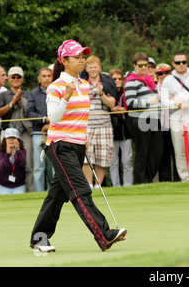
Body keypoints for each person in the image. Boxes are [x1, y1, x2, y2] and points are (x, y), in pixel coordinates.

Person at [30, 39, 127, 253]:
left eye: (83, 56)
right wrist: (65, 96)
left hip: (78, 146)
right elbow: (53, 118)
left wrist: (83, 142)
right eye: (77, 57)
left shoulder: (85, 84)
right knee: (80, 190)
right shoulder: (56, 87)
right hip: (60, 145)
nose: (81, 60)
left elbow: (82, 118)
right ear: (64, 61)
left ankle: (39, 239)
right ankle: (104, 234)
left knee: (57, 195)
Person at [161, 51, 189, 182]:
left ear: (187, 62)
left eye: (184, 62)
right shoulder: (168, 80)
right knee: (180, 150)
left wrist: (186, 99)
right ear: (173, 64)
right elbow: (164, 101)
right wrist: (176, 103)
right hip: (176, 118)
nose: (181, 65)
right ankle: (185, 178)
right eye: (178, 62)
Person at [124, 52, 163, 184]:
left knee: (156, 152)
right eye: (140, 65)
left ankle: (148, 179)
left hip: (153, 119)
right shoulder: (131, 81)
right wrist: (149, 102)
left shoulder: (149, 80)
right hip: (139, 120)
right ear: (134, 65)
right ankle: (140, 182)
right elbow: (130, 103)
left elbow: (156, 99)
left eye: (145, 65)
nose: (143, 68)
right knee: (142, 153)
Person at [79, 56, 118, 188]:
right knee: (87, 158)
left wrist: (101, 94)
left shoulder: (106, 81)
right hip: (86, 125)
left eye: (95, 66)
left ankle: (98, 185)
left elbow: (112, 104)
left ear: (100, 68)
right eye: (90, 67)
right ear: (86, 68)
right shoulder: (81, 82)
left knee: (103, 156)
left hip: (104, 125)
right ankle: (88, 185)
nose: (93, 69)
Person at [0, 66, 34, 192]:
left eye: (19, 77)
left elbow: (30, 113)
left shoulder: (28, 94)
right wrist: (12, 102)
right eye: (13, 77)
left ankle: (29, 192)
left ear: (22, 79)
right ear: (9, 79)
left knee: (28, 165)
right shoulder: (3, 95)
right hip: (8, 134)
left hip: (25, 133)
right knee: (5, 164)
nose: (16, 79)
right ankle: (5, 190)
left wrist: (21, 101)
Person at [26, 67, 54, 192]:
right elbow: (29, 113)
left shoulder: (57, 91)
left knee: (54, 167)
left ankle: (53, 194)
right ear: (39, 78)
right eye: (44, 76)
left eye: (49, 75)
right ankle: (38, 194)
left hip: (55, 133)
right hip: (38, 133)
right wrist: (44, 119)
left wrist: (51, 122)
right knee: (38, 167)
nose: (47, 78)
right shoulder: (33, 94)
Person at [156, 63, 180, 182]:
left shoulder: (177, 85)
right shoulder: (155, 88)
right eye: (160, 73)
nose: (164, 75)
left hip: (177, 121)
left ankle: (178, 178)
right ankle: (165, 180)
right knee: (164, 153)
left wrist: (174, 100)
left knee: (178, 151)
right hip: (161, 124)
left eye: (166, 72)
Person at [108, 69, 133, 187]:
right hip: (111, 131)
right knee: (113, 162)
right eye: (114, 79)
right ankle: (115, 186)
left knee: (127, 161)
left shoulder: (126, 92)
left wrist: (124, 110)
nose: (117, 81)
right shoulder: (107, 93)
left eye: (120, 79)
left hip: (126, 131)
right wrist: (112, 110)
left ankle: (128, 185)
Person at [0, 128, 27, 195]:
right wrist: (8, 154)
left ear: (18, 140)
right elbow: (2, 168)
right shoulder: (1, 152)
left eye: (13, 138)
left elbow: (23, 164)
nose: (11, 140)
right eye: (9, 138)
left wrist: (18, 150)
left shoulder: (22, 151)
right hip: (3, 186)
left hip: (19, 186)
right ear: (5, 140)